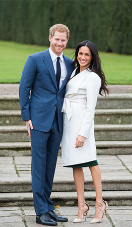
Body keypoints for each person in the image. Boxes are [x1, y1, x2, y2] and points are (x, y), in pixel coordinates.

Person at [19, 24, 75, 226]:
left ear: (67, 41)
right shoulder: (35, 59)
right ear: (50, 38)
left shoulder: (70, 63)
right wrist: (27, 117)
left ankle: (48, 207)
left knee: (50, 165)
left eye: (63, 40)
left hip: (58, 121)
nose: (60, 43)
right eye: (57, 39)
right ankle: (40, 211)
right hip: (38, 120)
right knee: (38, 165)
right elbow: (24, 88)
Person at [61, 40, 109, 224]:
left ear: (93, 57)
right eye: (80, 53)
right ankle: (81, 205)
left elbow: (90, 109)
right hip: (69, 122)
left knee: (91, 162)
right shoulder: (74, 71)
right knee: (75, 164)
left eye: (87, 54)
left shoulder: (93, 77)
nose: (82, 57)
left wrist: (83, 134)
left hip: (82, 122)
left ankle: (99, 203)